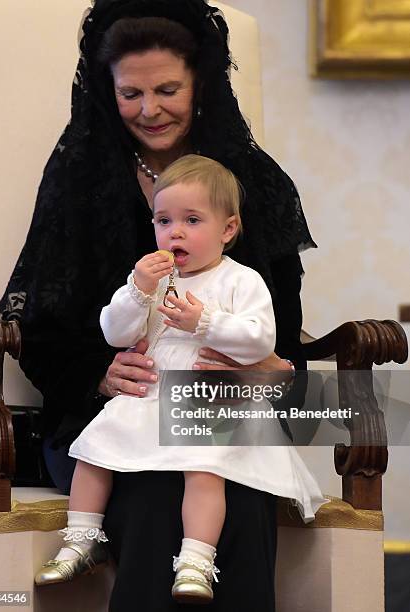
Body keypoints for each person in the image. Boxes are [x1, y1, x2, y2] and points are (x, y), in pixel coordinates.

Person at [0, 1, 319, 610]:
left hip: (225, 407)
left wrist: (274, 372)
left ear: (200, 84)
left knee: (237, 485)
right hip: (115, 412)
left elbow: (280, 329)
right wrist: (99, 371)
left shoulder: (252, 179)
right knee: (152, 488)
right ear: (107, 91)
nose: (149, 109)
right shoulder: (79, 175)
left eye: (168, 88)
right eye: (130, 93)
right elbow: (41, 323)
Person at [34, 155, 326, 602]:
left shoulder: (240, 281)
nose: (175, 232)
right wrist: (136, 291)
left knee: (202, 468)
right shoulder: (152, 279)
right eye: (164, 220)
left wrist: (204, 322)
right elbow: (116, 332)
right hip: (149, 397)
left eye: (192, 220)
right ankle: (83, 537)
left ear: (228, 230)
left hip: (210, 399)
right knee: (95, 450)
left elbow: (259, 339)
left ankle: (195, 559)